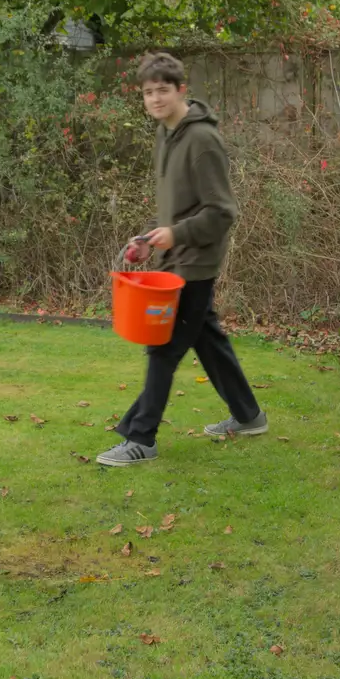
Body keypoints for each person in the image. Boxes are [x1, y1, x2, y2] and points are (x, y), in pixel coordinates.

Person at [97, 52, 267, 467]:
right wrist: (150, 238)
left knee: (164, 346)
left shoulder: (202, 141)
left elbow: (222, 211)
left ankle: (141, 438)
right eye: (148, 92)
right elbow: (178, 208)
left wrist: (176, 234)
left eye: (163, 90)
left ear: (180, 90)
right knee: (207, 339)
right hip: (176, 257)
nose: (155, 99)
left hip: (197, 262)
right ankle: (249, 416)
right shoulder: (166, 134)